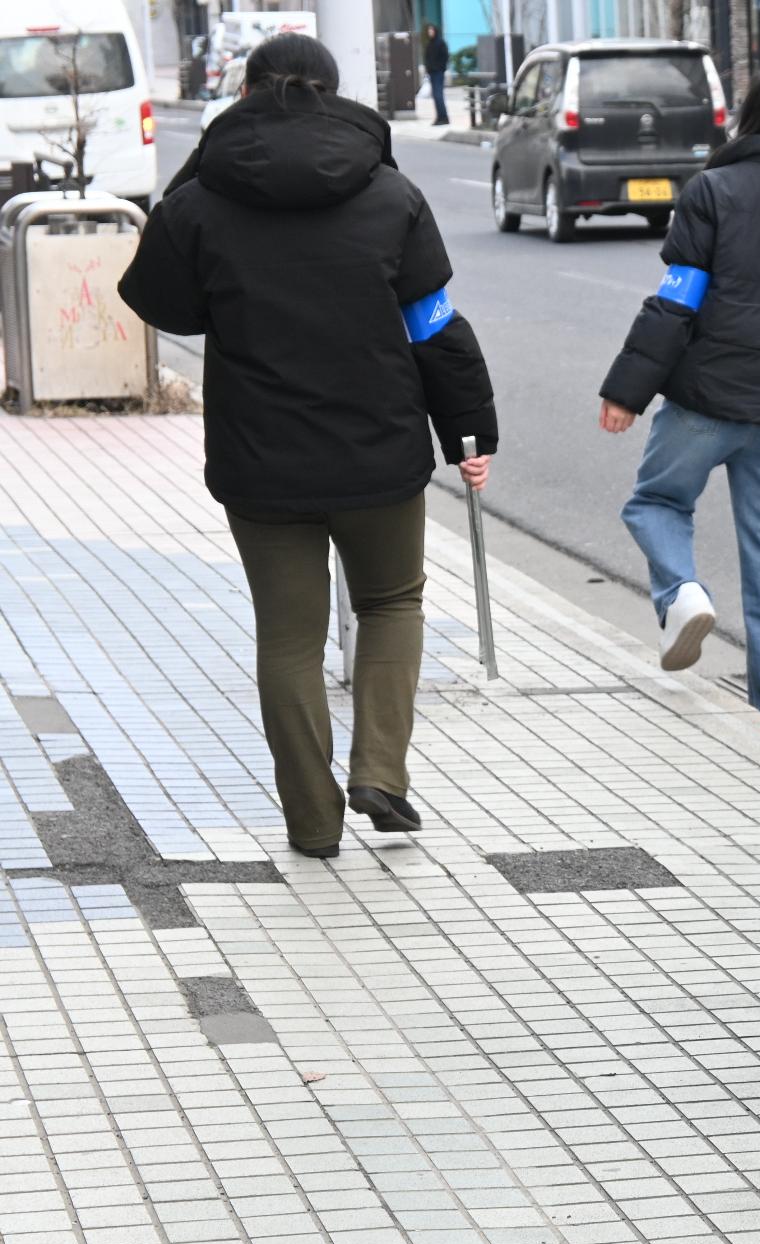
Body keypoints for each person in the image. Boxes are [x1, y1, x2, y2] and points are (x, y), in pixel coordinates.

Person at [119, 34, 498, 860]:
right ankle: (381, 774)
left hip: (262, 458)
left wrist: (202, 170)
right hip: (379, 449)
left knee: (287, 635)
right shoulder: (389, 192)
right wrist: (470, 431)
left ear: (246, 95)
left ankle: (312, 823)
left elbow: (154, 296)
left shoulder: (204, 200)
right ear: (331, 94)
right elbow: (434, 328)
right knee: (391, 602)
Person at [599, 64, 760, 738]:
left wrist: (627, 391)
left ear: (753, 118)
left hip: (705, 400)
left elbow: (678, 299)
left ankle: (681, 592)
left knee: (656, 501)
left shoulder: (713, 190)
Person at [423, 24, 451, 127]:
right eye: (429, 30)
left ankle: (444, 117)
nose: (430, 32)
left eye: (431, 30)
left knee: (438, 95)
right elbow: (427, 57)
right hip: (432, 73)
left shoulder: (440, 43)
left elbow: (445, 56)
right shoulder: (430, 44)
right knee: (435, 96)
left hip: (438, 73)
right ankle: (439, 116)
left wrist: (439, 67)